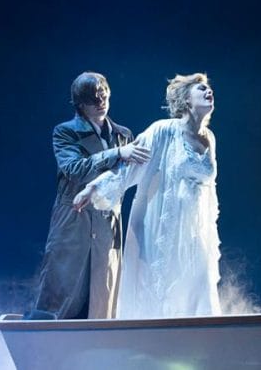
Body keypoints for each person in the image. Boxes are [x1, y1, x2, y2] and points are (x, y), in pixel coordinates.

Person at [73, 73, 221, 319]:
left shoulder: (210, 138)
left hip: (195, 230)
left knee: (200, 287)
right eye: (201, 89)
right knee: (161, 289)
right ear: (186, 100)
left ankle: (202, 337)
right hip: (162, 226)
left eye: (209, 88)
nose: (209, 92)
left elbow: (209, 190)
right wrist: (94, 188)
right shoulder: (163, 130)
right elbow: (130, 166)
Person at [25, 72, 150, 320]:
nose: (100, 102)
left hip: (107, 222)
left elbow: (128, 176)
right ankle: (46, 340)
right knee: (62, 291)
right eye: (93, 98)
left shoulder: (122, 134)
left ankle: (96, 341)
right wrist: (117, 153)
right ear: (80, 104)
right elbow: (75, 169)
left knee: (102, 296)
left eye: (103, 95)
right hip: (74, 221)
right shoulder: (65, 132)